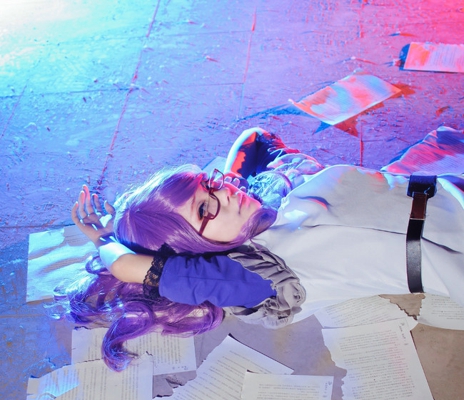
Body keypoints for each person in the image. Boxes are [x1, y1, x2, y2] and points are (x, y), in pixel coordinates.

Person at [66, 127, 464, 371]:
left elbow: (255, 138)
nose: (225, 193)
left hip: (449, 190)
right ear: (193, 253)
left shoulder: (265, 195)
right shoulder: (257, 278)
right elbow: (130, 268)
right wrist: (103, 240)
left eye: (210, 184)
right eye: (204, 209)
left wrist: (230, 183)